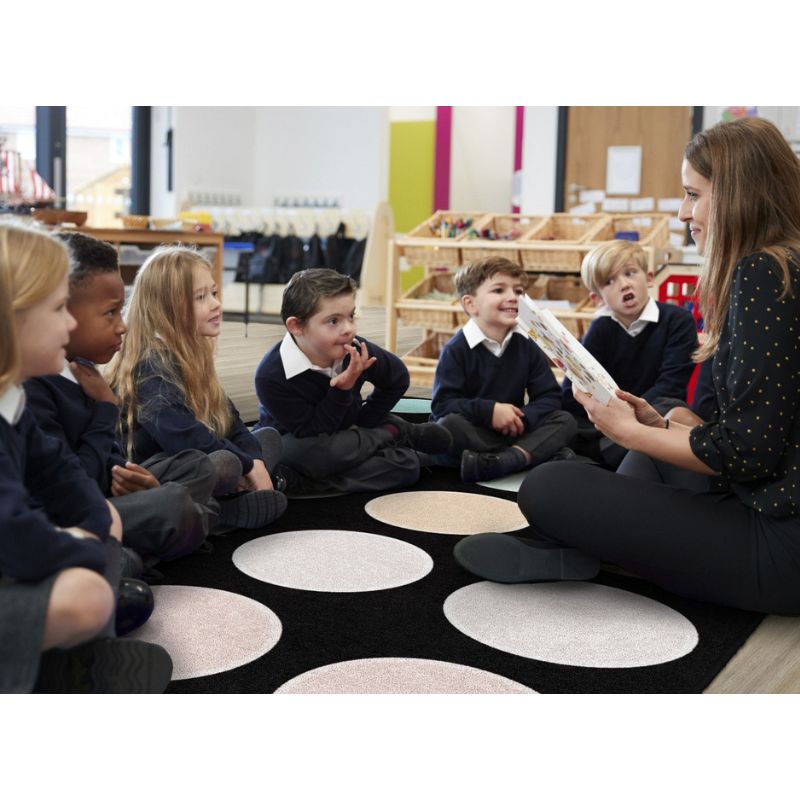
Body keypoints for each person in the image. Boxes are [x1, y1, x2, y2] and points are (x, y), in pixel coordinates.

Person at [454, 117, 800, 615]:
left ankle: (573, 547)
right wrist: (660, 426)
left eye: (693, 195)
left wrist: (631, 432)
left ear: (736, 196)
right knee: (649, 452)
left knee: (551, 487)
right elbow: (766, 436)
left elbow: (749, 454)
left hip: (777, 542)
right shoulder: (784, 264)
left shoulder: (763, 273)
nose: (684, 212)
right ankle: (575, 547)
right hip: (767, 504)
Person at [0, 220, 172, 693]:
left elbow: (58, 473)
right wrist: (84, 548)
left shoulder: (10, 399)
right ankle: (73, 671)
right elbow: (13, 532)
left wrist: (94, 526)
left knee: (107, 519)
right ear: (10, 319)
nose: (70, 324)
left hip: (22, 548)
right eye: (58, 309)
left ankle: (86, 650)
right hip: (15, 551)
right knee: (86, 595)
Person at [25, 232, 217, 567]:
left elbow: (108, 459)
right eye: (111, 313)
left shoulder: (83, 368)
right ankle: (187, 528)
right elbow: (70, 488)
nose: (123, 325)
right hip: (73, 512)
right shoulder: (35, 387)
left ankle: (143, 545)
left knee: (197, 466)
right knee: (174, 505)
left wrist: (137, 482)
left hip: (104, 494)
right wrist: (104, 411)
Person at [106, 246, 286, 530]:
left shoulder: (192, 352)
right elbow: (185, 439)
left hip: (195, 459)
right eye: (201, 297)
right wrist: (249, 466)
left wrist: (254, 460)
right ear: (168, 309)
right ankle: (217, 514)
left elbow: (233, 422)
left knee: (267, 438)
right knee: (224, 462)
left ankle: (220, 505)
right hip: (153, 472)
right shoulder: (150, 363)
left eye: (213, 293)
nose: (215, 303)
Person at [254, 268, 452, 495]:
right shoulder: (271, 375)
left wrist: (366, 419)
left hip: (348, 429)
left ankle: (296, 482)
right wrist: (344, 390)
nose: (348, 329)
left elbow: (397, 377)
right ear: (296, 326)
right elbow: (311, 430)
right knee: (303, 454)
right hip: (300, 439)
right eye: (333, 321)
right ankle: (392, 432)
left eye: (351, 316)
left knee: (406, 468)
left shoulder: (355, 348)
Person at [430, 256, 577, 483]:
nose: (512, 297)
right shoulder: (456, 349)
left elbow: (549, 396)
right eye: (499, 290)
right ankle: (529, 455)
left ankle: (499, 461)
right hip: (475, 429)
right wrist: (490, 411)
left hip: (515, 429)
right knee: (448, 426)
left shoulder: (527, 344)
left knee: (565, 420)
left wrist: (523, 418)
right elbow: (443, 404)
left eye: (518, 291)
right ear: (470, 304)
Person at [562, 239, 698, 467]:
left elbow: (671, 384)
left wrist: (624, 416)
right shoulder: (601, 328)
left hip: (655, 415)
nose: (624, 285)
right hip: (606, 421)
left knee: (671, 408)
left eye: (630, 273)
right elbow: (571, 391)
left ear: (649, 277)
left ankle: (602, 454)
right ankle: (606, 452)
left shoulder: (678, 320)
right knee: (561, 420)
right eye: (610, 281)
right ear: (597, 299)